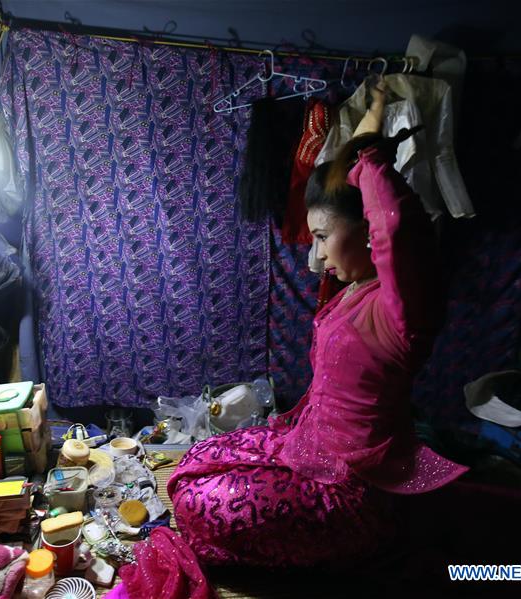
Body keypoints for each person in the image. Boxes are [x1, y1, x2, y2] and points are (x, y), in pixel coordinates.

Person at [167, 83, 468, 567]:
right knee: (194, 461)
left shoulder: (403, 309)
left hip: (352, 492)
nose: (318, 256)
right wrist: (373, 113)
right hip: (306, 444)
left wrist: (370, 160)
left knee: (199, 502)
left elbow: (394, 223)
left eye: (324, 237)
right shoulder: (353, 289)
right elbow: (359, 191)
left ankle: (366, 542)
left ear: (370, 230)